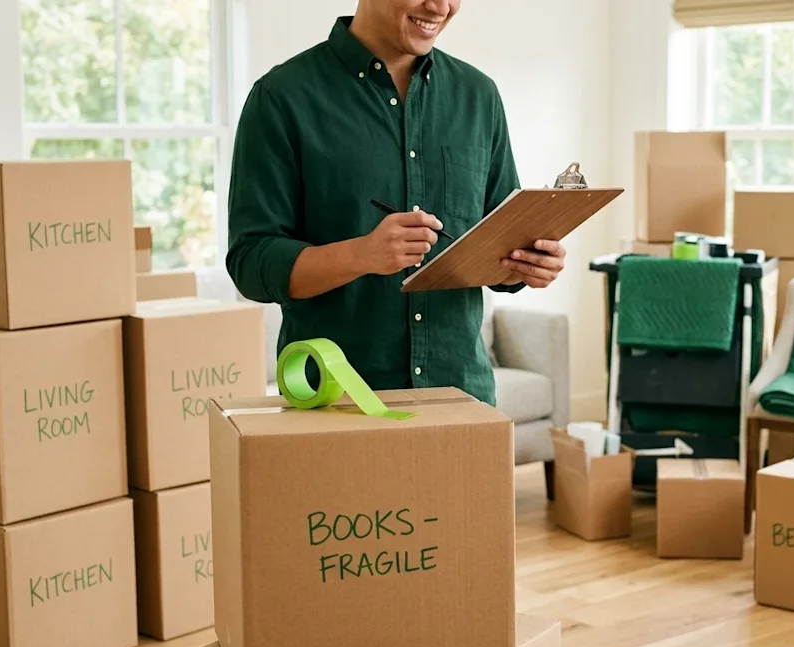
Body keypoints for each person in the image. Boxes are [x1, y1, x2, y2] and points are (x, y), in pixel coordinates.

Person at [225, 0, 567, 407]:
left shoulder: (479, 96)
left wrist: (528, 264)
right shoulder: (282, 97)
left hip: (463, 400)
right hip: (335, 403)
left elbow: (499, 244)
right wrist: (362, 254)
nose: (439, 7)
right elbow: (250, 262)